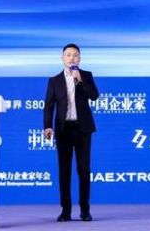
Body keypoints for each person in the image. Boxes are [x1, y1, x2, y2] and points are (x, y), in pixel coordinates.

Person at [43, 43, 99, 222]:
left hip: (83, 129)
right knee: (64, 171)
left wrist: (80, 80)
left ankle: (85, 210)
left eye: (75, 55)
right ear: (62, 58)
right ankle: (65, 211)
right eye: (68, 55)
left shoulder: (86, 75)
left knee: (84, 170)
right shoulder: (54, 80)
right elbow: (49, 105)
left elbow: (94, 96)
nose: (72, 58)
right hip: (63, 130)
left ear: (79, 59)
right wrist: (47, 126)